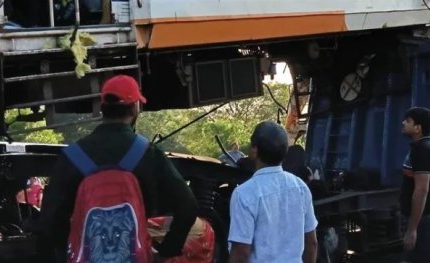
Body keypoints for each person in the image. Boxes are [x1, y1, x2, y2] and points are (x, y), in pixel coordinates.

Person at [38, 75, 199, 262]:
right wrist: (167, 250)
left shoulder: (73, 155)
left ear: (102, 108)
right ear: (135, 107)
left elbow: (49, 221)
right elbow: (188, 206)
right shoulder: (147, 153)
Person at [228, 122, 318, 263]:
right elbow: (311, 243)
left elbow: (241, 252)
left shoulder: (244, 193)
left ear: (255, 150)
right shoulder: (301, 187)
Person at [400, 107, 430, 263]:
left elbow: (422, 190)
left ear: (418, 128)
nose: (403, 123)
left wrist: (412, 229)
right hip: (429, 220)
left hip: (426, 224)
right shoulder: (427, 147)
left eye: (408, 121)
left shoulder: (422, 150)